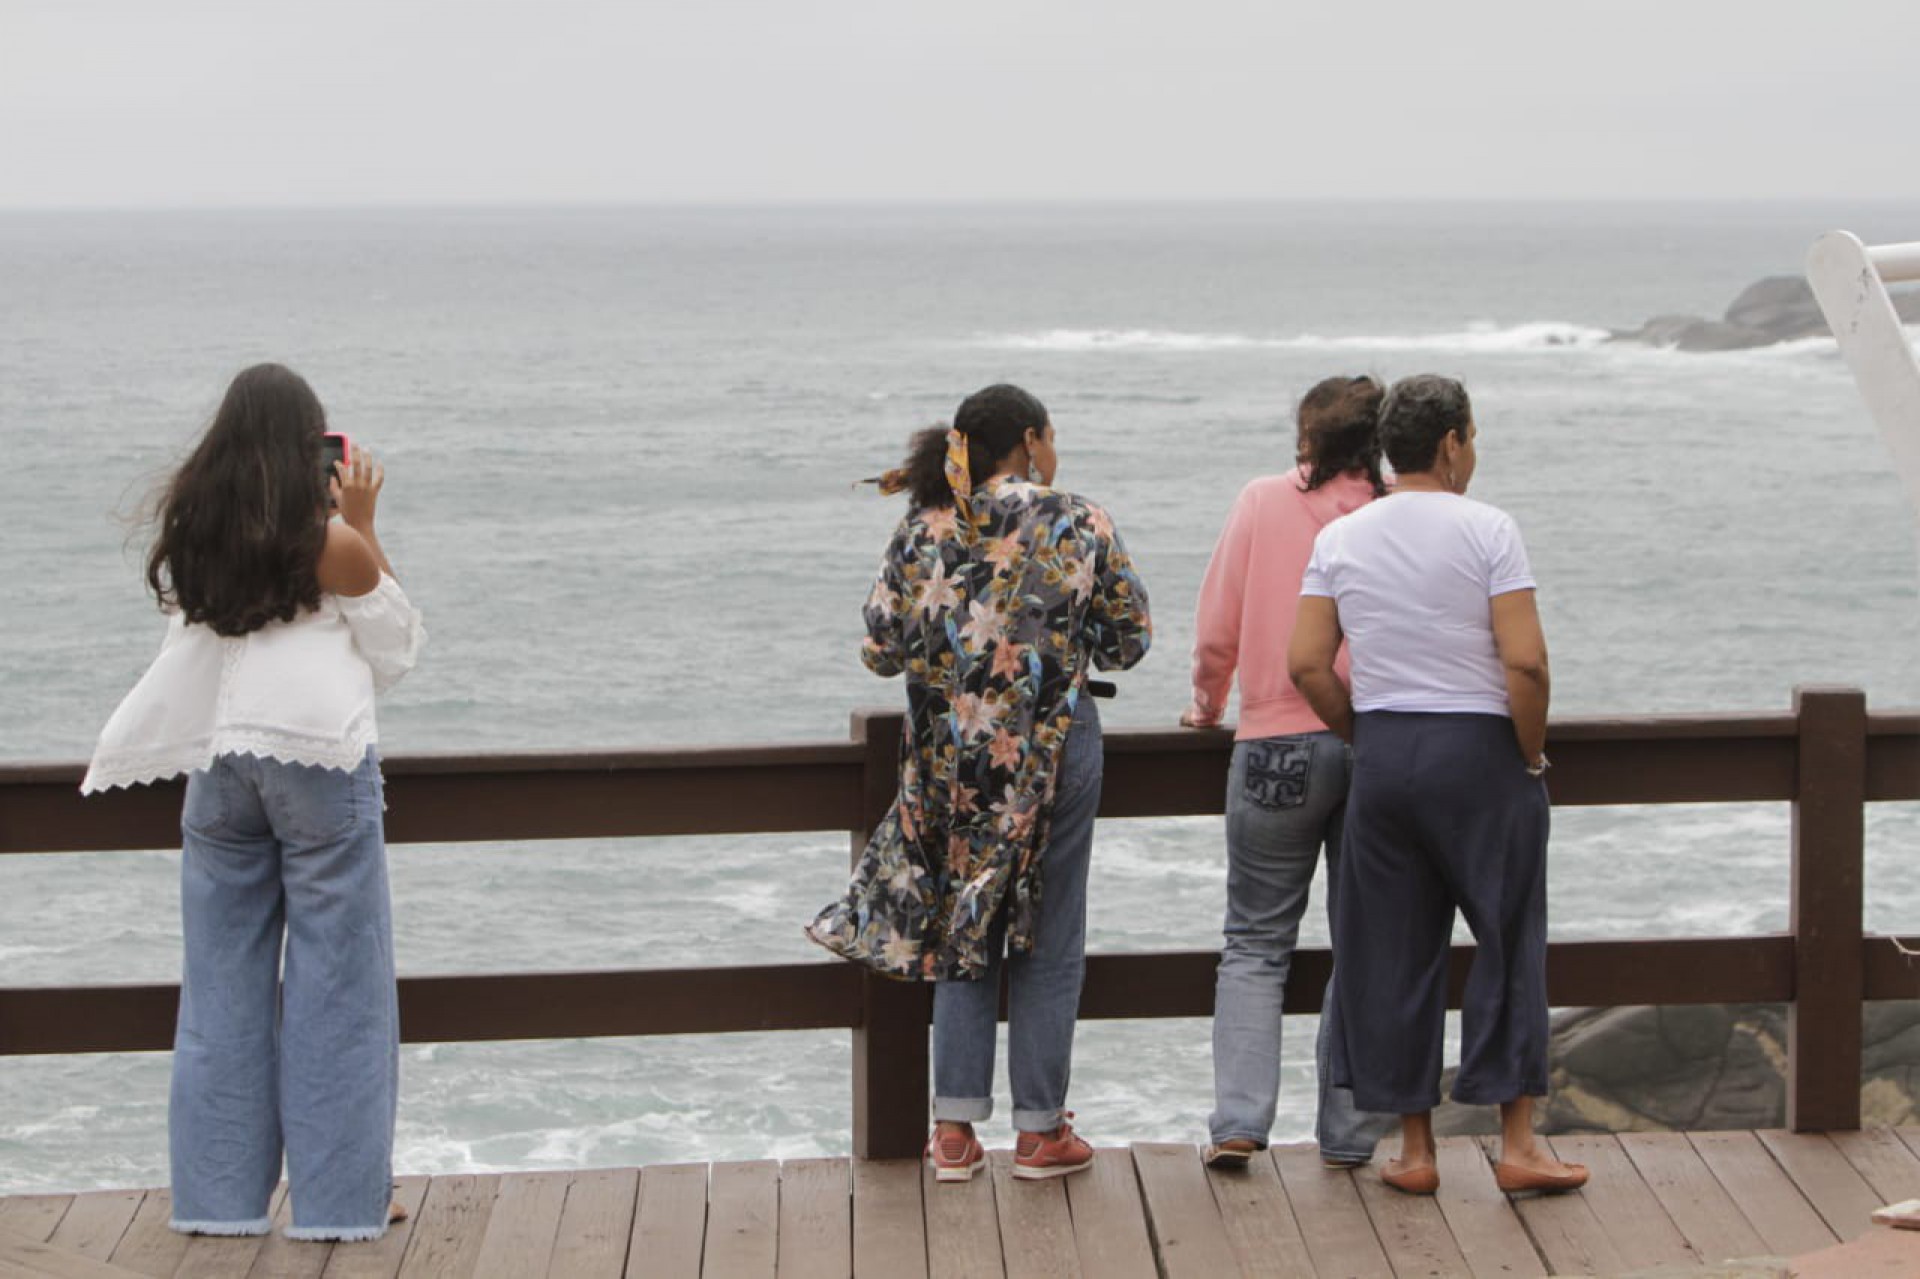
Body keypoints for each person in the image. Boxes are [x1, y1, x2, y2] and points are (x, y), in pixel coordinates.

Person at [82, 363, 425, 1240]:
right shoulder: (327, 541)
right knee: (336, 992)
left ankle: (217, 1203)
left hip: (218, 770)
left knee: (221, 988)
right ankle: (339, 1208)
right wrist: (365, 525)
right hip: (315, 762)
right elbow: (395, 643)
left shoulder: (197, 531)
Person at [807, 384, 1151, 1184]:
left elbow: (880, 648)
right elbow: (1129, 638)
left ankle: (954, 1132)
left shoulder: (923, 525)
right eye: (1051, 436)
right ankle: (1040, 1133)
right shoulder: (1075, 518)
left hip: (947, 760)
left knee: (962, 923)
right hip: (1052, 749)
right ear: (1028, 440)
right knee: (1051, 935)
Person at [1288, 373, 1586, 1195]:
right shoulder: (1489, 529)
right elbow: (1524, 659)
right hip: (1481, 751)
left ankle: (1414, 1150)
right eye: (1473, 436)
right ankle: (1517, 1140)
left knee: (1393, 950)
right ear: (1453, 442)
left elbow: (1306, 663)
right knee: (1508, 938)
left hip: (1385, 753)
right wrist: (1528, 754)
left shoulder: (1342, 538)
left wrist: (1365, 734)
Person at [1181, 376, 1395, 1171]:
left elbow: (1218, 628)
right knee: (1363, 941)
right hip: (1373, 743)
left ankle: (1239, 1120)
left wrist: (1208, 705)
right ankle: (1347, 1132)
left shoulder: (1263, 500)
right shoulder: (1391, 512)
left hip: (1274, 740)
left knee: (1255, 940)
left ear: (1306, 436)